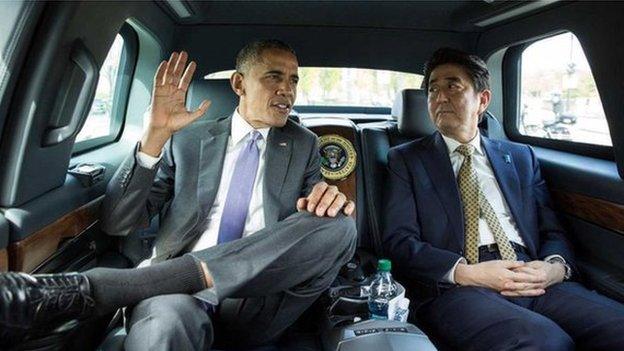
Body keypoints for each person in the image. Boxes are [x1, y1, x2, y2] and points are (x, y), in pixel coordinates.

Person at [0, 40, 357, 350]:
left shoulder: (304, 143)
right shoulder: (188, 139)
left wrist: (329, 200)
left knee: (341, 227)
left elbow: (311, 231)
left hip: (260, 299)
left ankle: (118, 288)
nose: (287, 90)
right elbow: (118, 221)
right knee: (166, 325)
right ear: (238, 84)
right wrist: (154, 136)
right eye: (274, 77)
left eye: (294, 80)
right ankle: (172, 281)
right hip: (175, 298)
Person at [383, 47, 624, 350]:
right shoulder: (406, 160)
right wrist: (466, 273)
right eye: (433, 89)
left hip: (530, 274)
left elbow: (552, 229)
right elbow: (398, 240)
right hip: (459, 285)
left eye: (452, 86)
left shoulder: (521, 157)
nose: (439, 97)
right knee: (545, 341)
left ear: (482, 100)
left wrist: (554, 268)